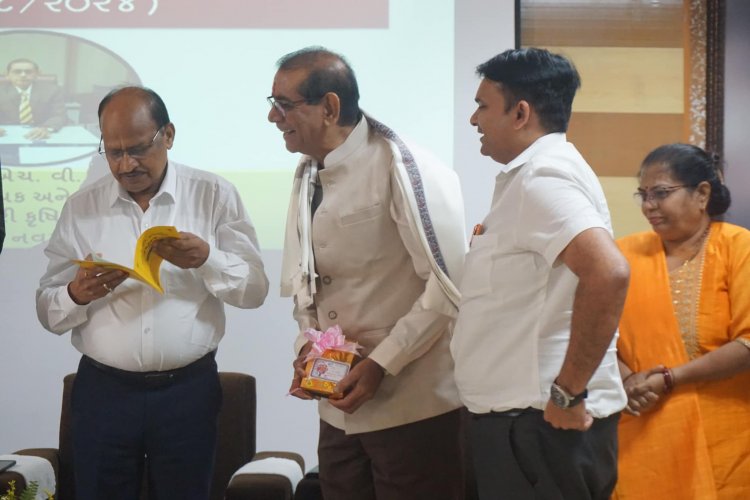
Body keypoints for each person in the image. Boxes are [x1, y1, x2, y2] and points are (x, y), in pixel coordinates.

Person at [36, 86, 269, 500]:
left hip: (188, 392)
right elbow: (47, 308)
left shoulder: (213, 195)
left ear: (169, 135)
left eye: (139, 149)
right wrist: (75, 293)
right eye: (113, 152)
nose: (126, 165)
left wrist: (207, 259)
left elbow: (254, 290)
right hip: (103, 393)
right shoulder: (81, 207)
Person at [272, 47, 468, 500]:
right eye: (273, 104)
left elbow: (448, 286)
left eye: (285, 105)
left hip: (412, 406)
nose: (274, 118)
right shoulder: (308, 171)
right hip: (337, 408)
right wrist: (307, 348)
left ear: (330, 107)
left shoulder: (405, 167)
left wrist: (382, 363)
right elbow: (305, 282)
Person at [450, 47, 630, 500]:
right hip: (532, 428)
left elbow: (608, 273)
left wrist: (568, 393)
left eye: (482, 106)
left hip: (539, 428)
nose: (474, 120)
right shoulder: (539, 174)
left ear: (521, 113)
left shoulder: (542, 178)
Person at [613, 144, 750, 500]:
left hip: (724, 445)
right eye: (642, 195)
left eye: (661, 193)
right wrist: (628, 378)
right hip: (643, 438)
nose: (648, 206)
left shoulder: (739, 248)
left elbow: (748, 344)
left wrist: (670, 379)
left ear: (702, 193)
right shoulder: (623, 255)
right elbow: (596, 333)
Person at [0, 58, 67, 140]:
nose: (23, 75)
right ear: (7, 75)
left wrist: (46, 128)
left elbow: (58, 115)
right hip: (7, 135)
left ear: (37, 74)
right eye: (17, 72)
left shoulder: (52, 91)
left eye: (28, 72)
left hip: (41, 134)